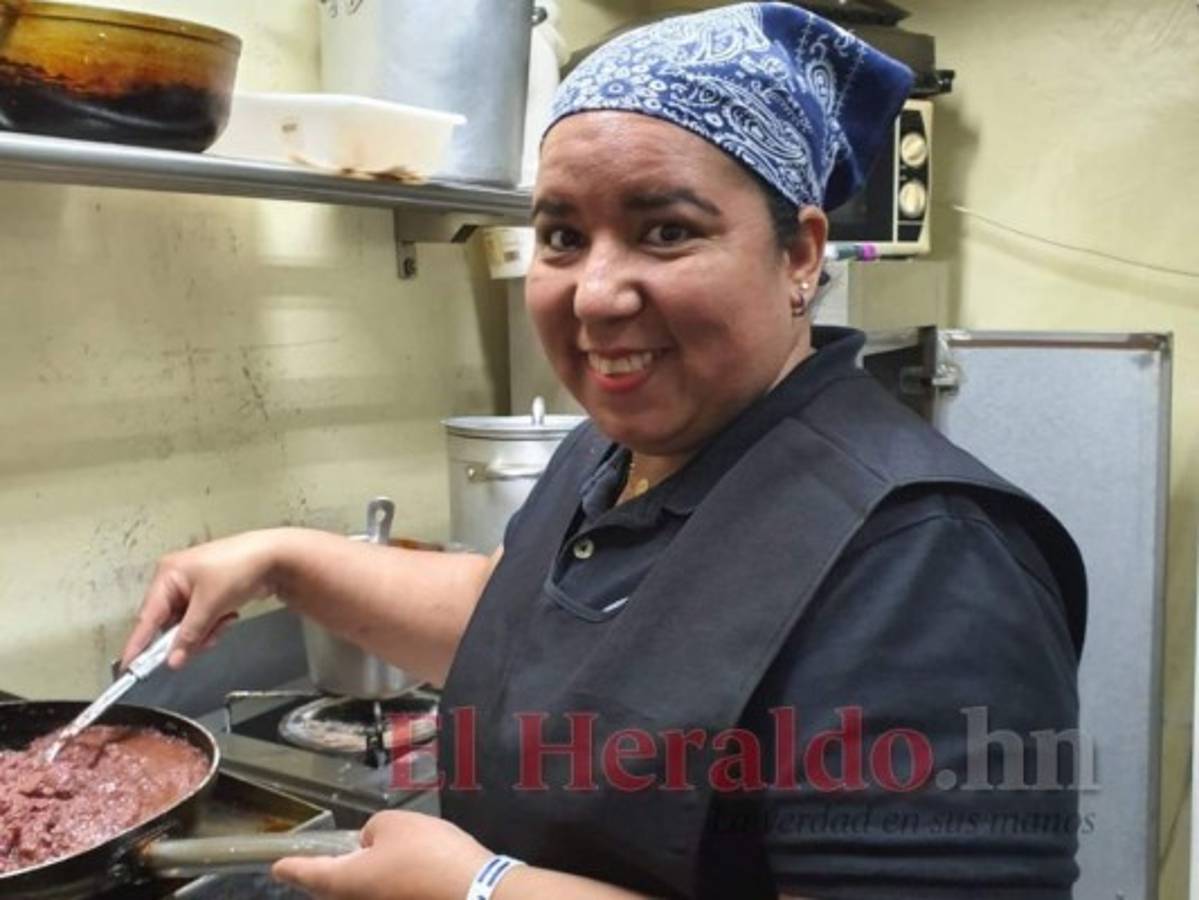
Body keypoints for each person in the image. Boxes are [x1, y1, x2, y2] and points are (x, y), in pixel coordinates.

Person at [122, 4, 1087, 899]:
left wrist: (481, 890)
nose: (594, 294)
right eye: (560, 236)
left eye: (666, 231)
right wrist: (284, 560)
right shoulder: (621, 447)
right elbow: (519, 624)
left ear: (798, 253)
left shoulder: (929, 560)